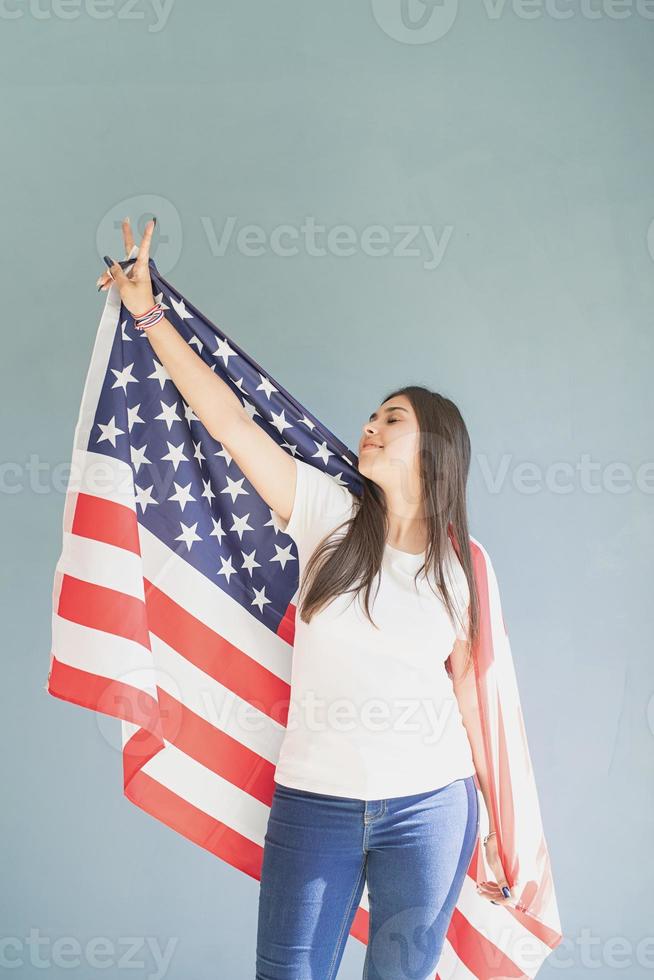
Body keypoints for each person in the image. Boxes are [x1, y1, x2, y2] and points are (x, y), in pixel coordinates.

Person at [97, 218, 513, 980]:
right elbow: (226, 420)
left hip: (430, 811)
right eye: (373, 414)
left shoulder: (463, 570)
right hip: (314, 805)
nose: (371, 425)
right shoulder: (326, 513)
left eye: (394, 419)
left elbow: (474, 701)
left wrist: (495, 831)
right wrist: (148, 312)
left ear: (436, 452)